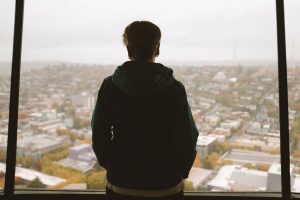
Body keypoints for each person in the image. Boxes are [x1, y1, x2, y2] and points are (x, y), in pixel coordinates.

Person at [92, 21, 199, 200]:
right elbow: (187, 137)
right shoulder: (174, 89)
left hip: (121, 181)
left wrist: (113, 164)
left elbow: (99, 135)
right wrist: (178, 170)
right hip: (166, 181)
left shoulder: (110, 86)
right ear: (157, 48)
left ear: (128, 49)